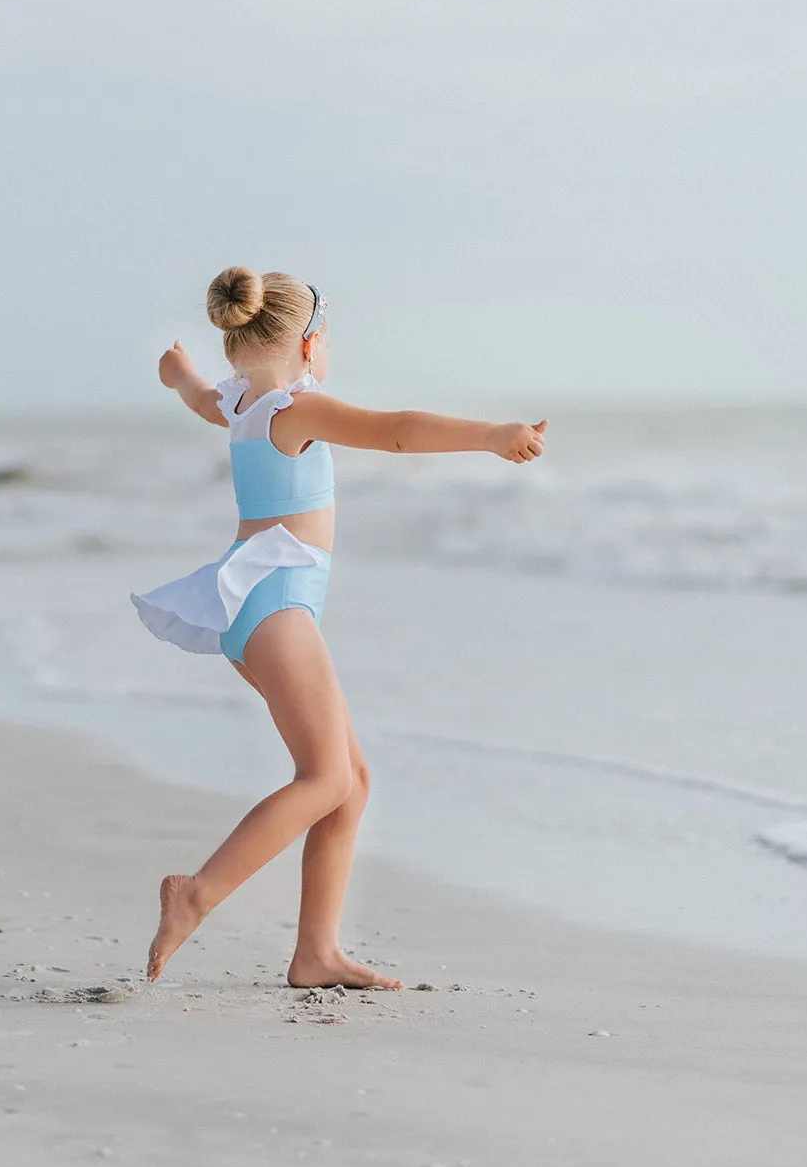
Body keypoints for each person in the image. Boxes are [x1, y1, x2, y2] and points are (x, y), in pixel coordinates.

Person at [131, 267, 546, 987]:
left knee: (349, 783)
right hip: (275, 604)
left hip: (257, 603)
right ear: (309, 343)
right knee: (324, 777)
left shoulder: (240, 402)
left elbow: (200, 399)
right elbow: (394, 433)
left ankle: (316, 953)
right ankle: (195, 893)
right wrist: (491, 435)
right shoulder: (296, 407)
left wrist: (180, 374)